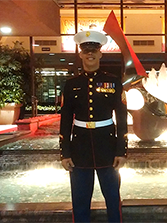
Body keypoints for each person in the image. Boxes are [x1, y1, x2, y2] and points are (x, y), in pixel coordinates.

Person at [59, 30, 128, 223]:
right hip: (79, 148)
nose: (90, 53)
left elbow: (121, 118)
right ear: (80, 54)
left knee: (113, 199)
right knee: (80, 201)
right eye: (86, 50)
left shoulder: (113, 82)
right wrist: (65, 152)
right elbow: (65, 121)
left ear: (100, 53)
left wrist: (121, 150)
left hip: (107, 146)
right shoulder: (71, 84)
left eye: (94, 49)